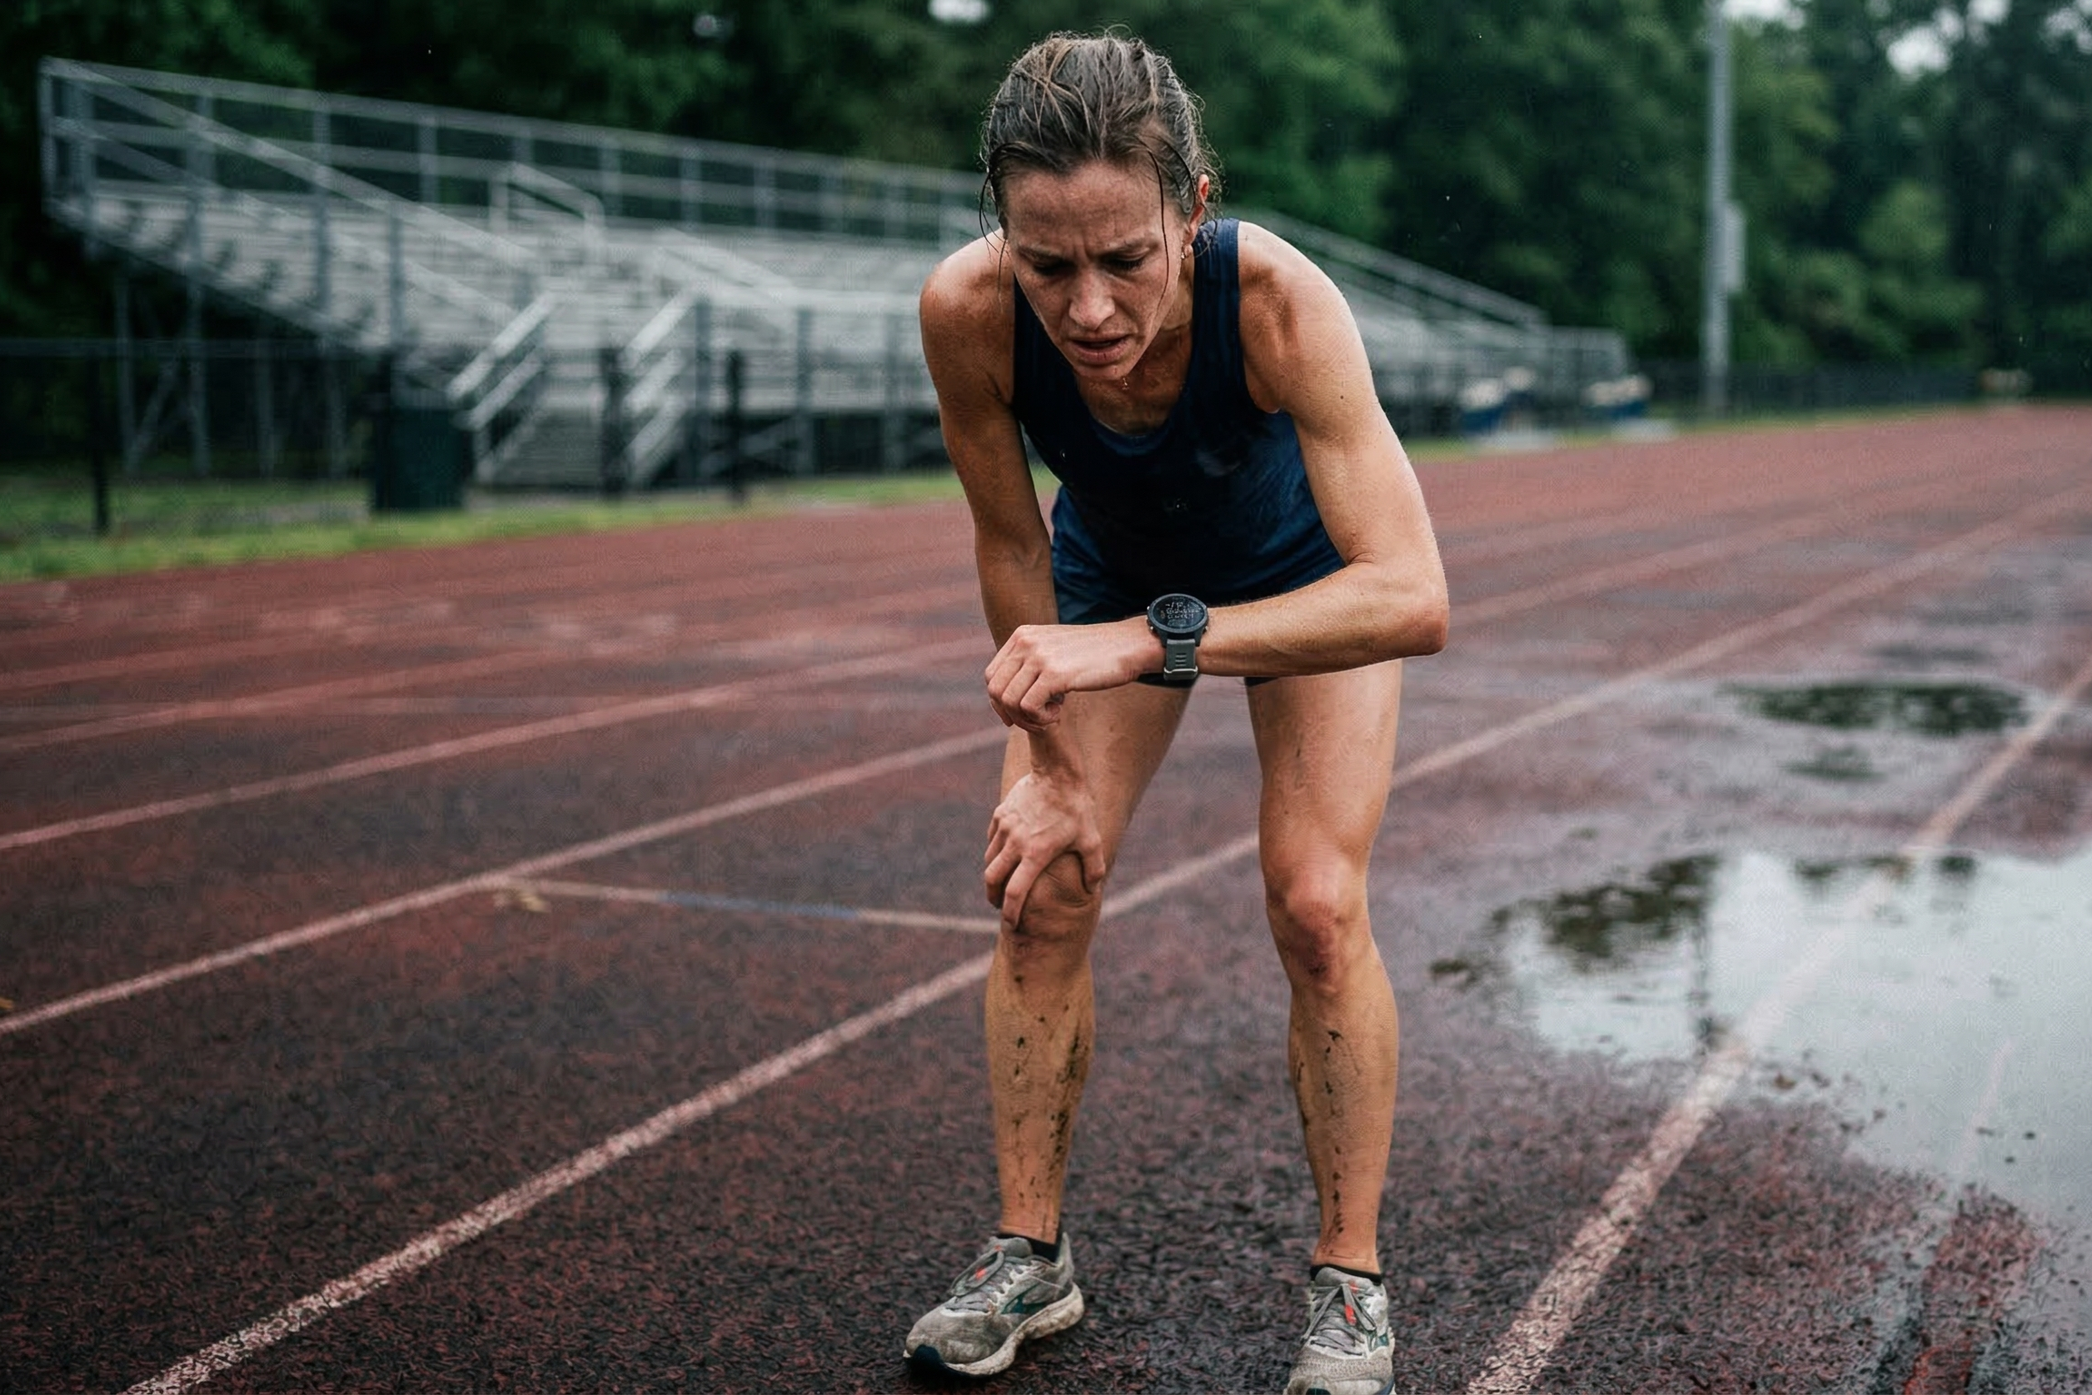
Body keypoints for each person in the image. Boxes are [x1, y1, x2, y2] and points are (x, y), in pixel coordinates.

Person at [903, 31, 1449, 1395]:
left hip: (1306, 581)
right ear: (1003, 238)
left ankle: (1350, 1282)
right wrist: (1047, 765)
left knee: (1317, 901)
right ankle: (1031, 1251)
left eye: (1125, 260)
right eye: (1048, 264)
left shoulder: (1277, 302)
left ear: (1190, 206)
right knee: (1043, 881)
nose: (1086, 308)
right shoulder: (966, 314)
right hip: (1112, 577)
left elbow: (1413, 594)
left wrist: (1158, 641)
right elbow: (1011, 551)